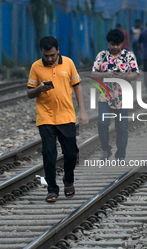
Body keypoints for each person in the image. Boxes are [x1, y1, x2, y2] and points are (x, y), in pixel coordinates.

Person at [27, 36, 89, 203]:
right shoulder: (36, 67)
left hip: (66, 115)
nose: (49, 59)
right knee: (49, 153)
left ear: (58, 51)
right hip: (45, 116)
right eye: (46, 56)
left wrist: (82, 112)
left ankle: (68, 180)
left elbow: (77, 87)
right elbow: (29, 93)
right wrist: (40, 88)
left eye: (52, 55)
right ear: (41, 52)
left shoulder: (68, 63)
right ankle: (52, 189)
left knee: (71, 153)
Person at [91, 29, 139, 160]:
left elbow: (135, 73)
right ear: (108, 43)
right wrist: (106, 74)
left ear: (122, 43)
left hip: (124, 97)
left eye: (118, 44)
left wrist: (125, 76)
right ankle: (106, 149)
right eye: (113, 44)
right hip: (105, 97)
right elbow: (94, 73)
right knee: (102, 123)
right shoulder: (102, 56)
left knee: (122, 128)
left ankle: (121, 154)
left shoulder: (128, 56)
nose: (115, 47)